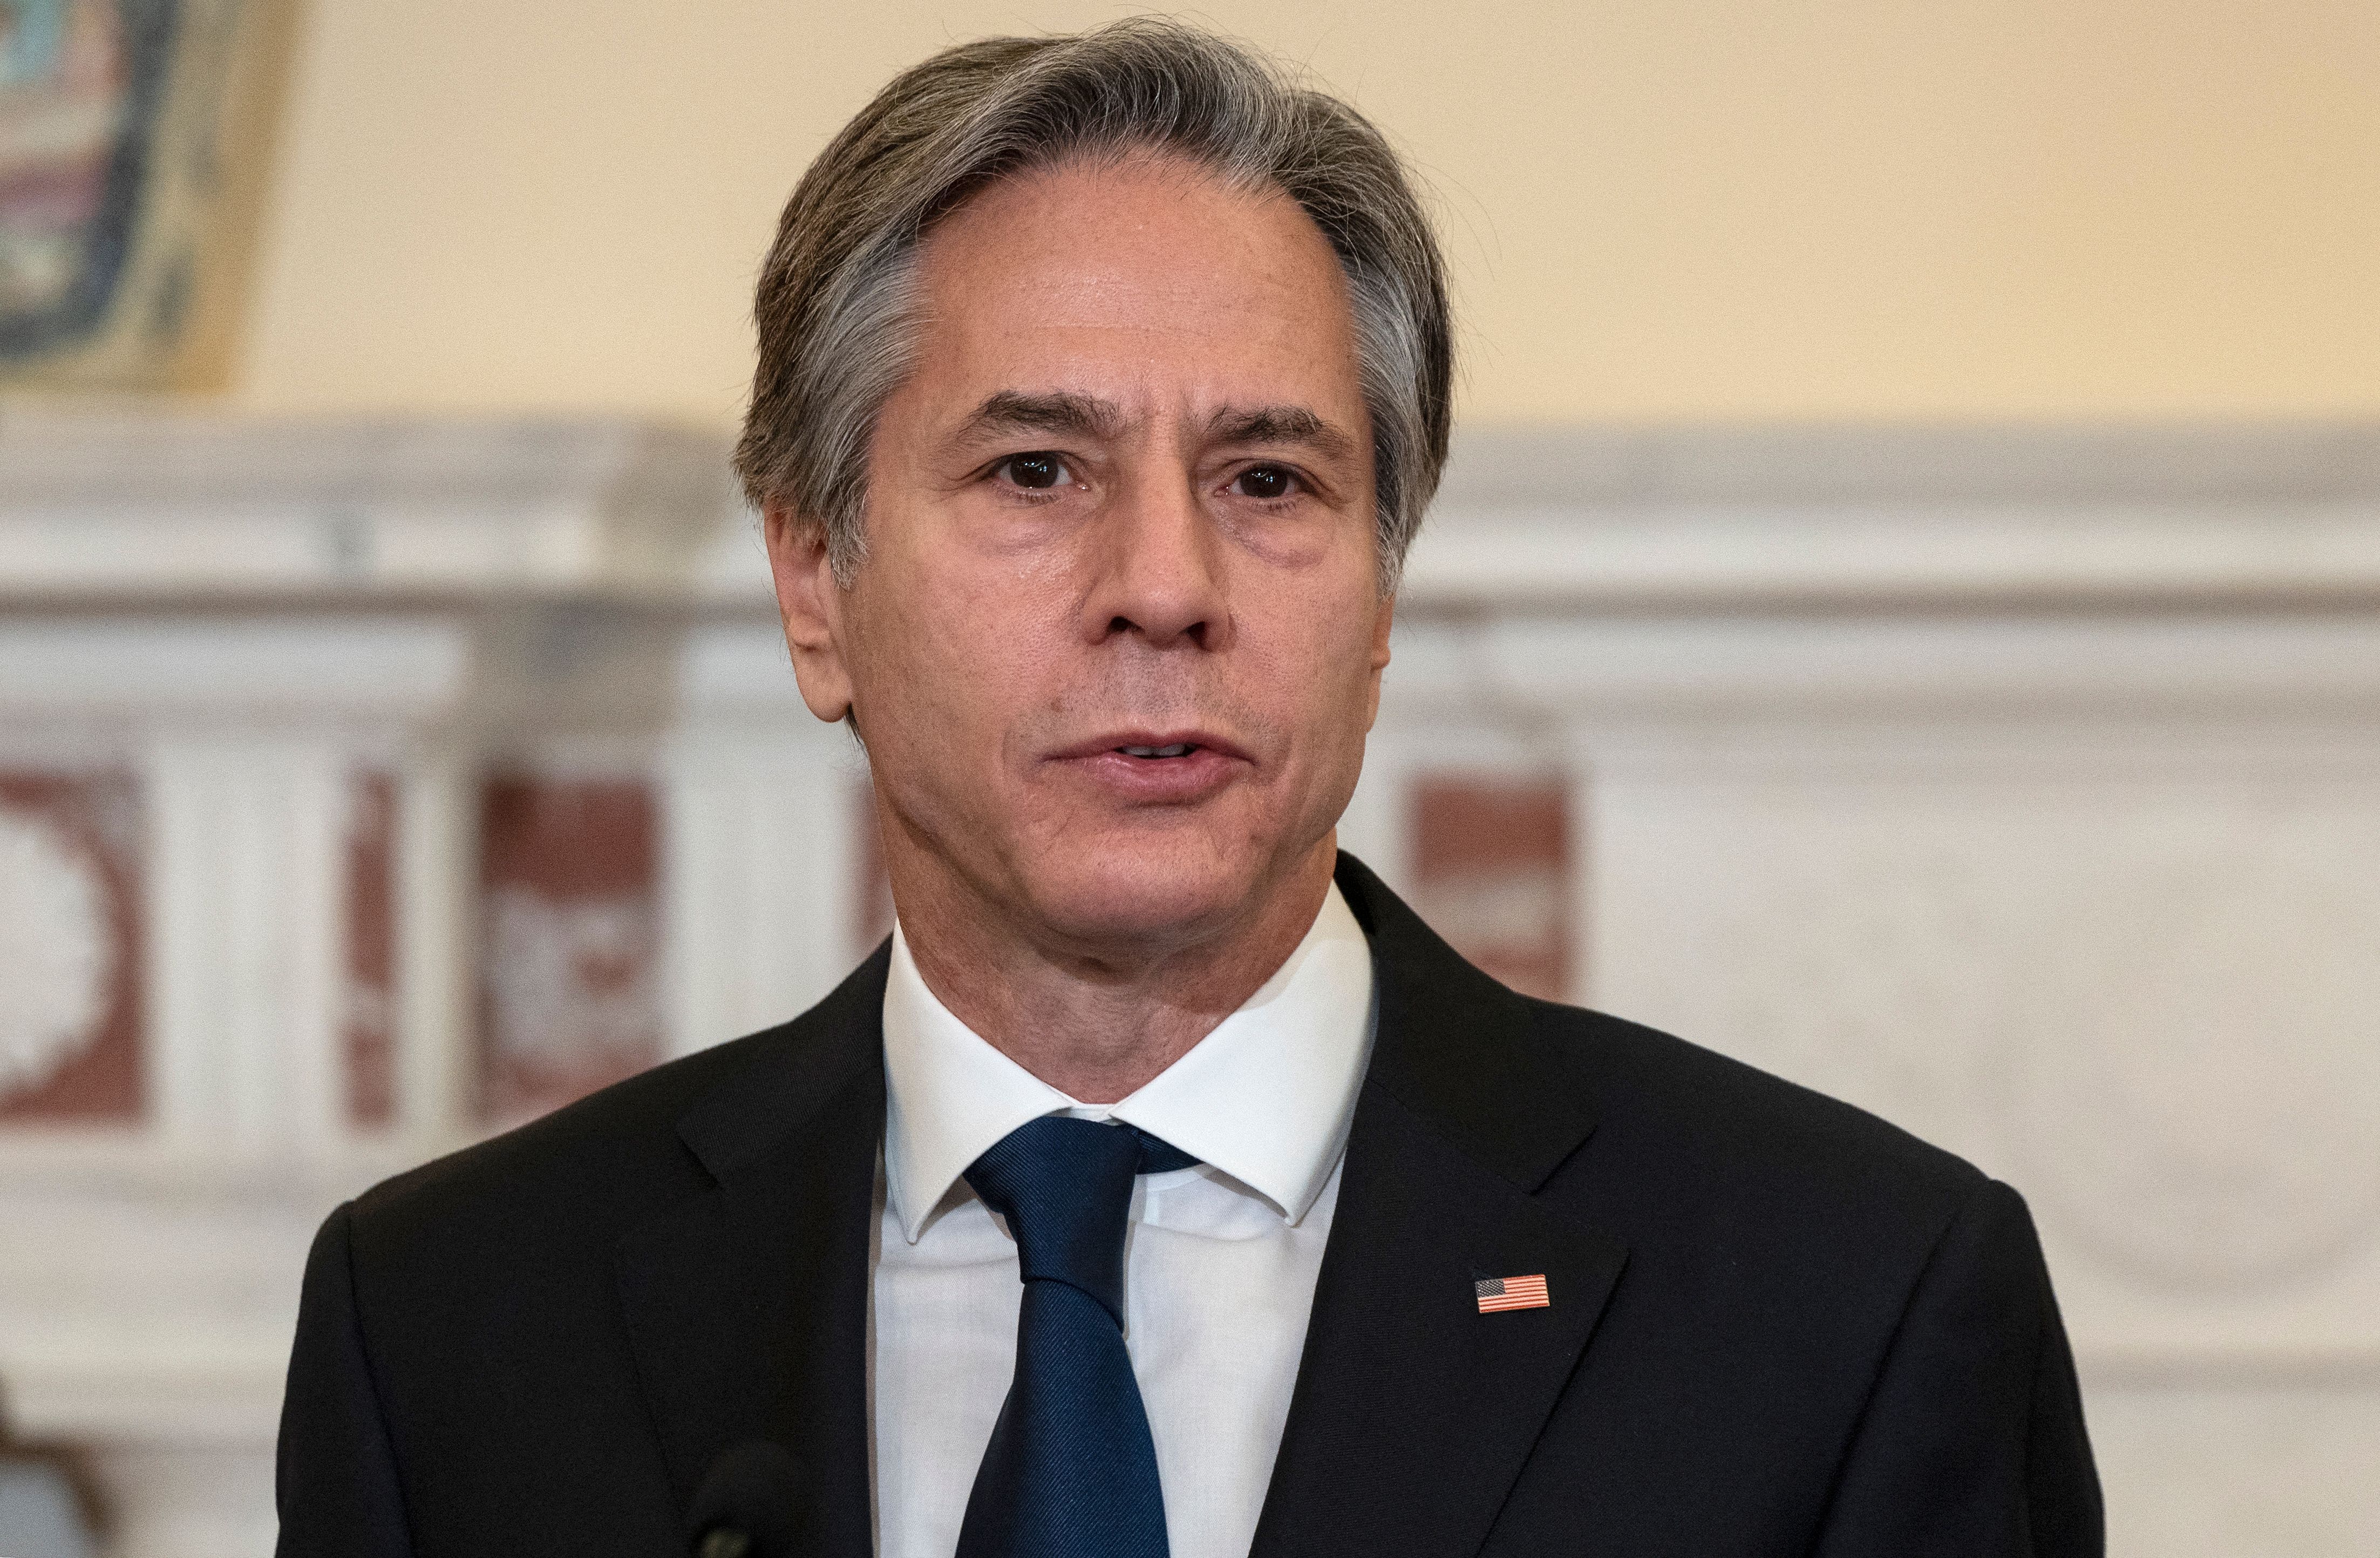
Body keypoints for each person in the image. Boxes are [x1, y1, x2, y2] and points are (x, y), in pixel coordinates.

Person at [274, 19, 2102, 1558]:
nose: (1165, 583)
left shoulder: (1846, 1304)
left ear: (1379, 595)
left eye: (1270, 481)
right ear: (814, 585)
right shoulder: (454, 1328)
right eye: (1036, 470)